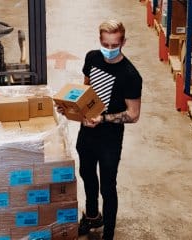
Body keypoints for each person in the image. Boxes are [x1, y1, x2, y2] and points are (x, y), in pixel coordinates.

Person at [59, 20, 142, 240]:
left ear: (123, 42)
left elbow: (133, 114)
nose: (109, 49)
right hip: (87, 131)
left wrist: (103, 119)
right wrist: (70, 106)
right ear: (100, 40)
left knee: (107, 186)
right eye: (106, 43)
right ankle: (94, 216)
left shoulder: (130, 75)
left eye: (115, 45)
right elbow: (85, 89)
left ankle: (109, 234)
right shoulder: (93, 57)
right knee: (86, 173)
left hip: (109, 138)